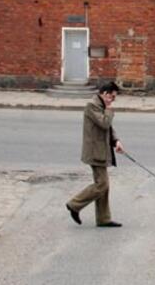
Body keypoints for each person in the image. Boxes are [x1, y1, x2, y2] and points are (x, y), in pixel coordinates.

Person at [66, 81, 125, 227]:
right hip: (95, 151)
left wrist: (116, 141)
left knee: (104, 185)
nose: (113, 100)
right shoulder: (92, 105)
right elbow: (104, 123)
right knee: (102, 184)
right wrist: (110, 109)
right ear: (105, 94)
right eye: (112, 96)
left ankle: (103, 218)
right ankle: (74, 204)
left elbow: (108, 128)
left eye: (114, 97)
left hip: (102, 150)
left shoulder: (101, 105)